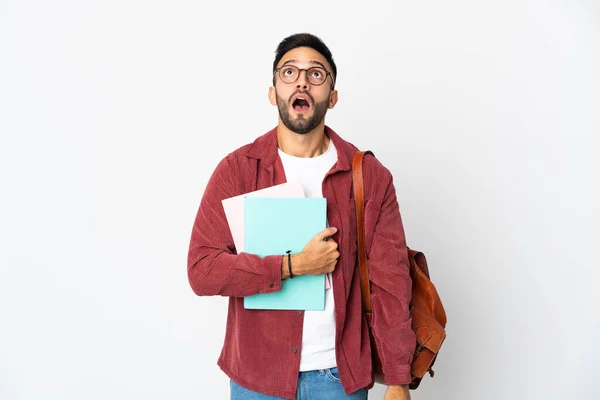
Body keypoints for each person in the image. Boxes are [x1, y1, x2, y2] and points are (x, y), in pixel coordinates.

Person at [187, 33, 415, 400]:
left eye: (317, 74)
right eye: (289, 72)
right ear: (273, 91)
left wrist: (398, 379)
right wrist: (292, 265)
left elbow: (391, 282)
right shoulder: (237, 171)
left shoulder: (369, 176)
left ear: (333, 97)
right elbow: (201, 270)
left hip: (340, 378)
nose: (302, 81)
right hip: (257, 377)